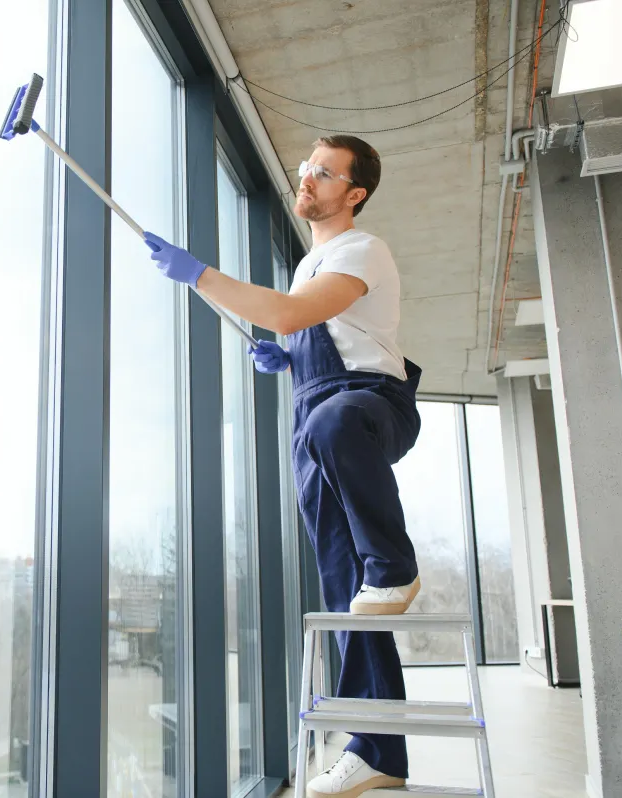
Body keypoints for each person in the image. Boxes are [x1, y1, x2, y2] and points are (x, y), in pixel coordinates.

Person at [144, 135, 422, 798]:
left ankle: (396, 565)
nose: (308, 178)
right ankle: (378, 750)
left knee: (338, 438)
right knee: (344, 587)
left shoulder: (361, 248)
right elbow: (309, 328)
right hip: (315, 419)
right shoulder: (310, 263)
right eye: (306, 168)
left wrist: (201, 275)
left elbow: (294, 314)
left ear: (353, 193)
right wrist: (290, 360)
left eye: (324, 173)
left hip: (366, 408)